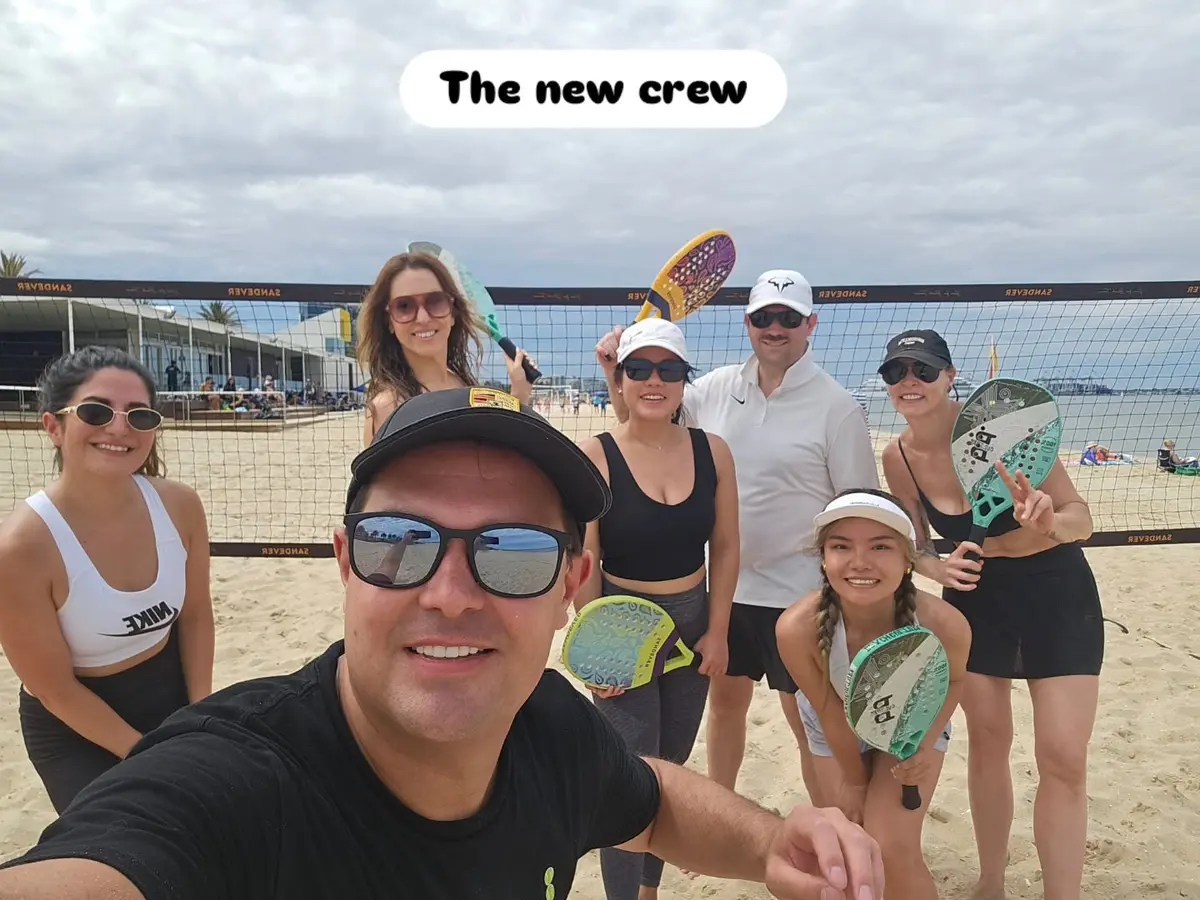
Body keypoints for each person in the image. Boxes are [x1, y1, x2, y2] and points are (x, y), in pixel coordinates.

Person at [0, 387, 884, 900]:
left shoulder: (545, 722)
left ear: (572, 584)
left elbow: (648, 801)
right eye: (398, 543)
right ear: (346, 564)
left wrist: (772, 845)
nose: (452, 595)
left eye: (515, 551)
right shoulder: (234, 787)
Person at [597, 269, 879, 806]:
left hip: (801, 596)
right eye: (763, 317)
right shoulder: (712, 389)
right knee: (726, 709)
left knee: (810, 724)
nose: (775, 328)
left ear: (810, 324)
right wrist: (618, 372)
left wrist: (858, 596)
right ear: (747, 324)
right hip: (726, 597)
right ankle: (720, 817)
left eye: (788, 317)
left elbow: (857, 511)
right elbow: (644, 429)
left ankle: (836, 829)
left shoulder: (838, 406)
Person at [876, 329, 1102, 900]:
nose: (910, 382)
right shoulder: (897, 455)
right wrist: (932, 569)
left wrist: (1049, 520)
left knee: (1062, 757)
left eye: (924, 370)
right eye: (896, 372)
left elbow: (1083, 520)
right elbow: (912, 543)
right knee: (988, 740)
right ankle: (993, 882)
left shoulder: (1002, 434)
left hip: (1056, 591)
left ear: (951, 378)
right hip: (976, 601)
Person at [0, 346, 215, 814]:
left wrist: (200, 715)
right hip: (78, 724)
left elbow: (196, 617)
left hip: (169, 687)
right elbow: (56, 689)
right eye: (97, 411)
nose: (119, 426)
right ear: (53, 427)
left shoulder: (179, 505)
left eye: (139, 416)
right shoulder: (22, 547)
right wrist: (148, 754)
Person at [576, 319, 740, 900]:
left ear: (682, 382)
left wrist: (718, 631)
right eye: (639, 369)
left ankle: (648, 890)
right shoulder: (596, 454)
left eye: (669, 370)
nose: (654, 381)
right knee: (628, 777)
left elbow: (725, 546)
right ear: (619, 380)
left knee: (671, 767)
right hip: (621, 623)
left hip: (693, 621)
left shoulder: (712, 450)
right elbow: (585, 558)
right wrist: (595, 647)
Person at [777, 489, 971, 900]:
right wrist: (856, 783)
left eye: (880, 546)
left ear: (907, 562)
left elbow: (953, 682)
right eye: (841, 546)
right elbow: (830, 712)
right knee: (853, 844)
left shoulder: (944, 624)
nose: (860, 562)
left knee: (892, 847)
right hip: (836, 725)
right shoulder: (796, 629)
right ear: (823, 559)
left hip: (915, 717)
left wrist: (919, 747)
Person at [355, 251, 538, 445]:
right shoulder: (387, 409)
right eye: (405, 306)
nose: (423, 318)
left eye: (435, 301)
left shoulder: (467, 388)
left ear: (452, 313)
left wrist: (520, 394)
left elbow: (494, 460)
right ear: (389, 321)